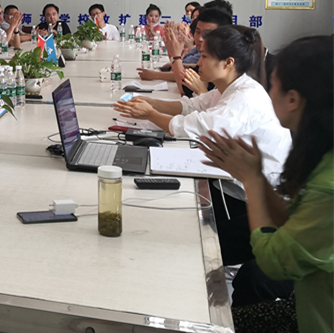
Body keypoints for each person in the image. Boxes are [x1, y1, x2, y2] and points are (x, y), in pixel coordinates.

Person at [115, 26, 292, 265]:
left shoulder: (244, 98)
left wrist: (150, 114)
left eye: (205, 56)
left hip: (252, 199)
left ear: (228, 63)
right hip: (236, 182)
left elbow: (194, 128)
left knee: (178, 217)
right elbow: (191, 107)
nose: (198, 62)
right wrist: (150, 102)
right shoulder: (231, 87)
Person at [199, 35, 332, 333]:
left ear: (293, 99)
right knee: (207, 241)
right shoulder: (318, 149)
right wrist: (255, 174)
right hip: (311, 293)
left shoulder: (328, 185)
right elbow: (290, 217)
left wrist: (252, 179)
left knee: (251, 286)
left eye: (273, 85)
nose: (267, 93)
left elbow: (276, 262)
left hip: (315, 315)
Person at [138, 8, 232, 92]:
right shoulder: (205, 54)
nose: (200, 38)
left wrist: (175, 56)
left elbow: (185, 87)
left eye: (207, 34)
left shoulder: (219, 63)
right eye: (198, 32)